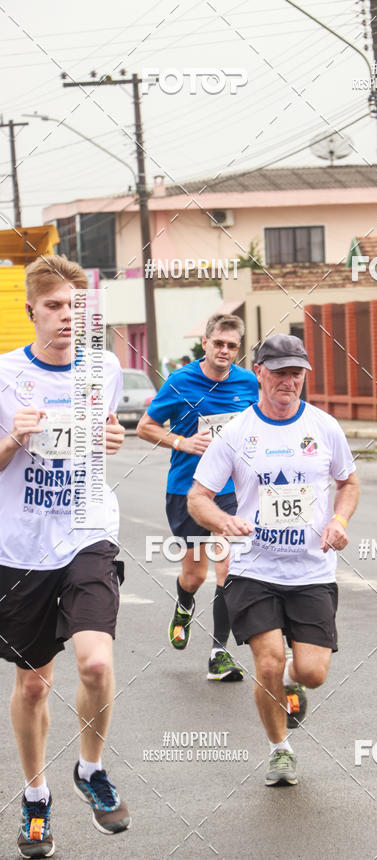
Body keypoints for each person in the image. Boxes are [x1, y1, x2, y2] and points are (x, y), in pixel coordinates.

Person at [0, 255, 130, 858]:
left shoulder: (104, 368)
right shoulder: (3, 377)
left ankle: (90, 768)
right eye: (54, 306)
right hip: (21, 545)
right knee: (32, 687)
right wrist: (13, 439)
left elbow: (101, 435)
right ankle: (35, 797)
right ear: (31, 311)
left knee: (96, 665)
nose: (66, 317)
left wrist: (111, 436)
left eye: (77, 307)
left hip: (86, 529)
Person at [187, 333, 360, 786]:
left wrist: (339, 520)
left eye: (296, 372)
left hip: (311, 569)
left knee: (312, 673)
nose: (289, 381)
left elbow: (349, 482)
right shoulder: (236, 433)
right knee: (264, 663)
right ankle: (279, 749)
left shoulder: (324, 427)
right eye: (280, 372)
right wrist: (224, 523)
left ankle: (291, 676)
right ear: (260, 373)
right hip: (252, 568)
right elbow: (198, 498)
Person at [136, 314, 258, 681]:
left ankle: (218, 655)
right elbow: (145, 426)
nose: (224, 351)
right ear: (205, 343)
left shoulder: (249, 383)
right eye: (218, 343)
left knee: (228, 568)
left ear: (238, 349)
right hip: (187, 490)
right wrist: (182, 442)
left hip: (229, 492)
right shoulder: (180, 381)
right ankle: (184, 603)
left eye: (231, 346)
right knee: (194, 574)